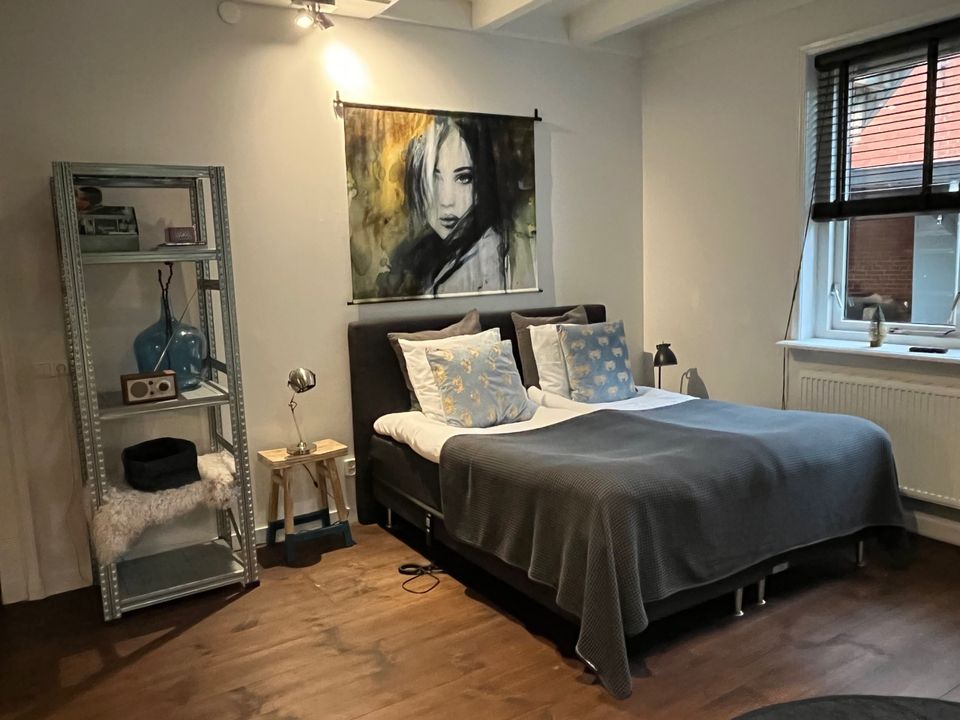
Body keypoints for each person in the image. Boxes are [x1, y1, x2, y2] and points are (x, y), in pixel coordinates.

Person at [377, 116, 512, 297]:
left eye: (464, 178)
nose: (447, 201)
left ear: (482, 183)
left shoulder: (489, 259)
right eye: (433, 179)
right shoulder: (420, 254)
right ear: (415, 180)